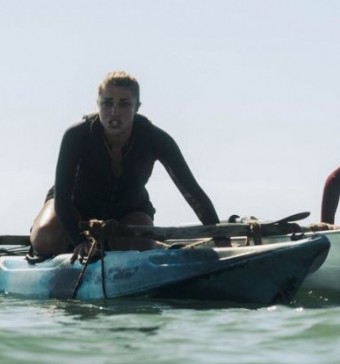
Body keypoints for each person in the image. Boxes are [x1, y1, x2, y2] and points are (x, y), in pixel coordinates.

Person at [30, 71, 221, 259]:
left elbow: (193, 193)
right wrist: (79, 241)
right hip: (74, 207)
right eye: (107, 103)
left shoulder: (156, 139)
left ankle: (113, 249)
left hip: (128, 209)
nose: (114, 112)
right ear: (98, 104)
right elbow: (62, 199)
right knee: (45, 239)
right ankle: (70, 246)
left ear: (137, 107)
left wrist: (222, 240)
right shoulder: (76, 135)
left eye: (124, 104)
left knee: (143, 247)